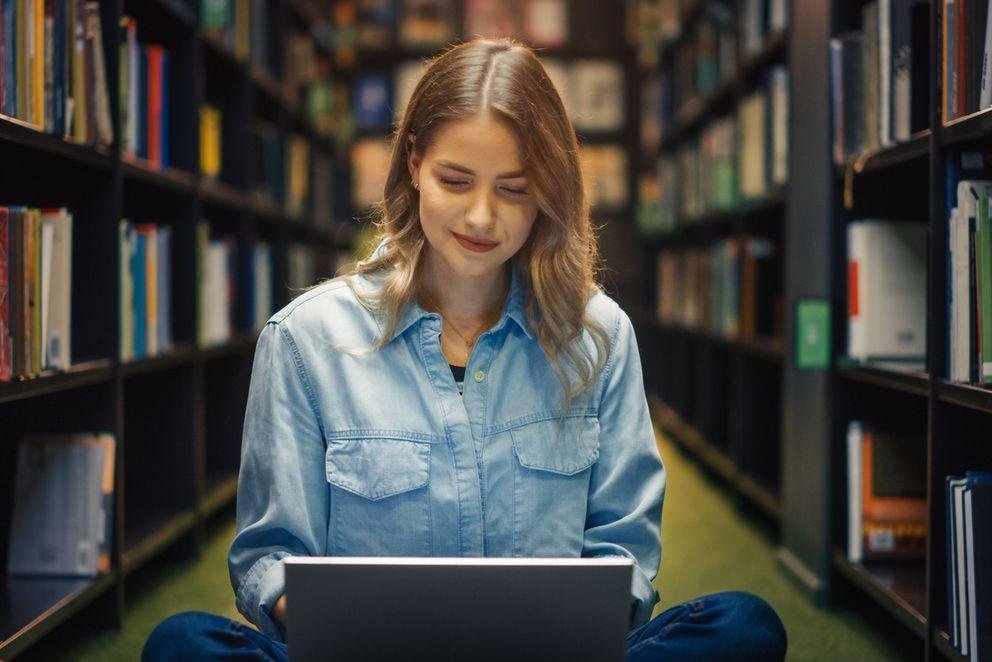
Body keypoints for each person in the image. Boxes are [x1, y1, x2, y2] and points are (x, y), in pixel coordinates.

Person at [143, 38, 787, 661]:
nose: (482, 217)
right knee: (183, 644)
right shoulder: (305, 341)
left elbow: (624, 551)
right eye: (456, 180)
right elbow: (269, 561)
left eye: (513, 188)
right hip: (371, 656)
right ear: (414, 163)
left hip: (545, 656)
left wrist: (571, 626)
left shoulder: (600, 336)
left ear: (547, 191)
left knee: (743, 625)